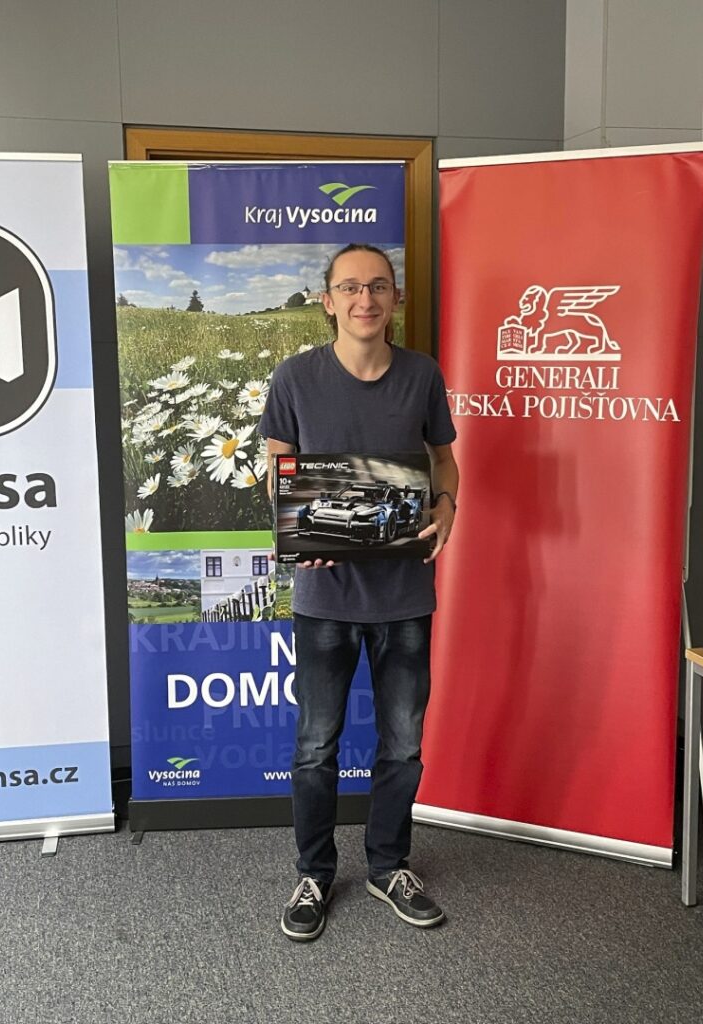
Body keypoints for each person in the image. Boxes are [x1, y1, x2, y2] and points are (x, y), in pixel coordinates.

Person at [259, 243, 458, 941]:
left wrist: (446, 506)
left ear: (395, 299)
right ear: (328, 301)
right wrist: (295, 523)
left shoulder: (422, 375)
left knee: (402, 745)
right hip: (325, 598)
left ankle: (388, 866)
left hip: (405, 596)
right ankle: (314, 872)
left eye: (378, 286)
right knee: (316, 745)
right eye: (350, 287)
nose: (364, 299)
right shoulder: (295, 377)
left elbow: (444, 460)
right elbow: (277, 467)